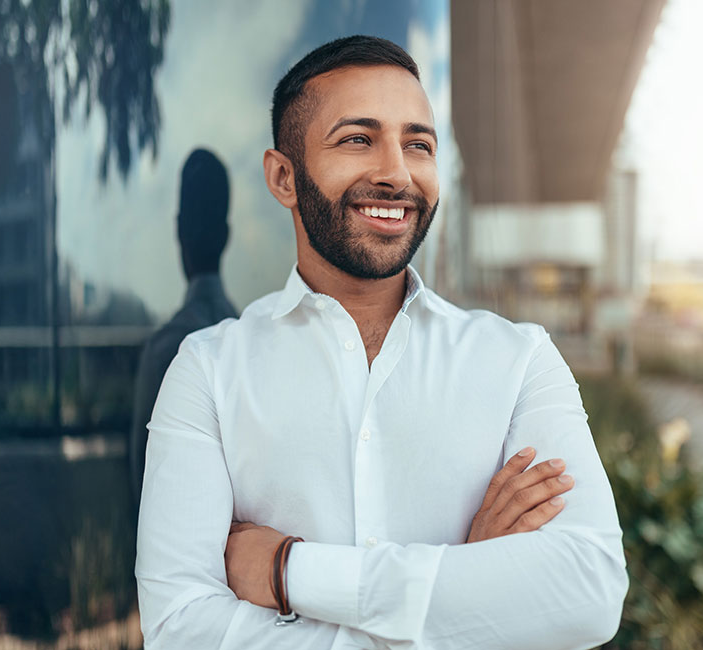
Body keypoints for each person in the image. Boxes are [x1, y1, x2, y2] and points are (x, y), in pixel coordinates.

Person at [136, 36, 627, 649]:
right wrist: (465, 591)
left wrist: (287, 571)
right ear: (284, 177)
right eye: (357, 139)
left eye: (417, 144)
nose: (396, 173)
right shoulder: (206, 371)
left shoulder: (519, 361)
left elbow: (588, 592)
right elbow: (179, 630)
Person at [129, 148, 237, 502]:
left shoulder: (165, 350)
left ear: (178, 231)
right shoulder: (250, 344)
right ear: (226, 236)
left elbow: (143, 489)